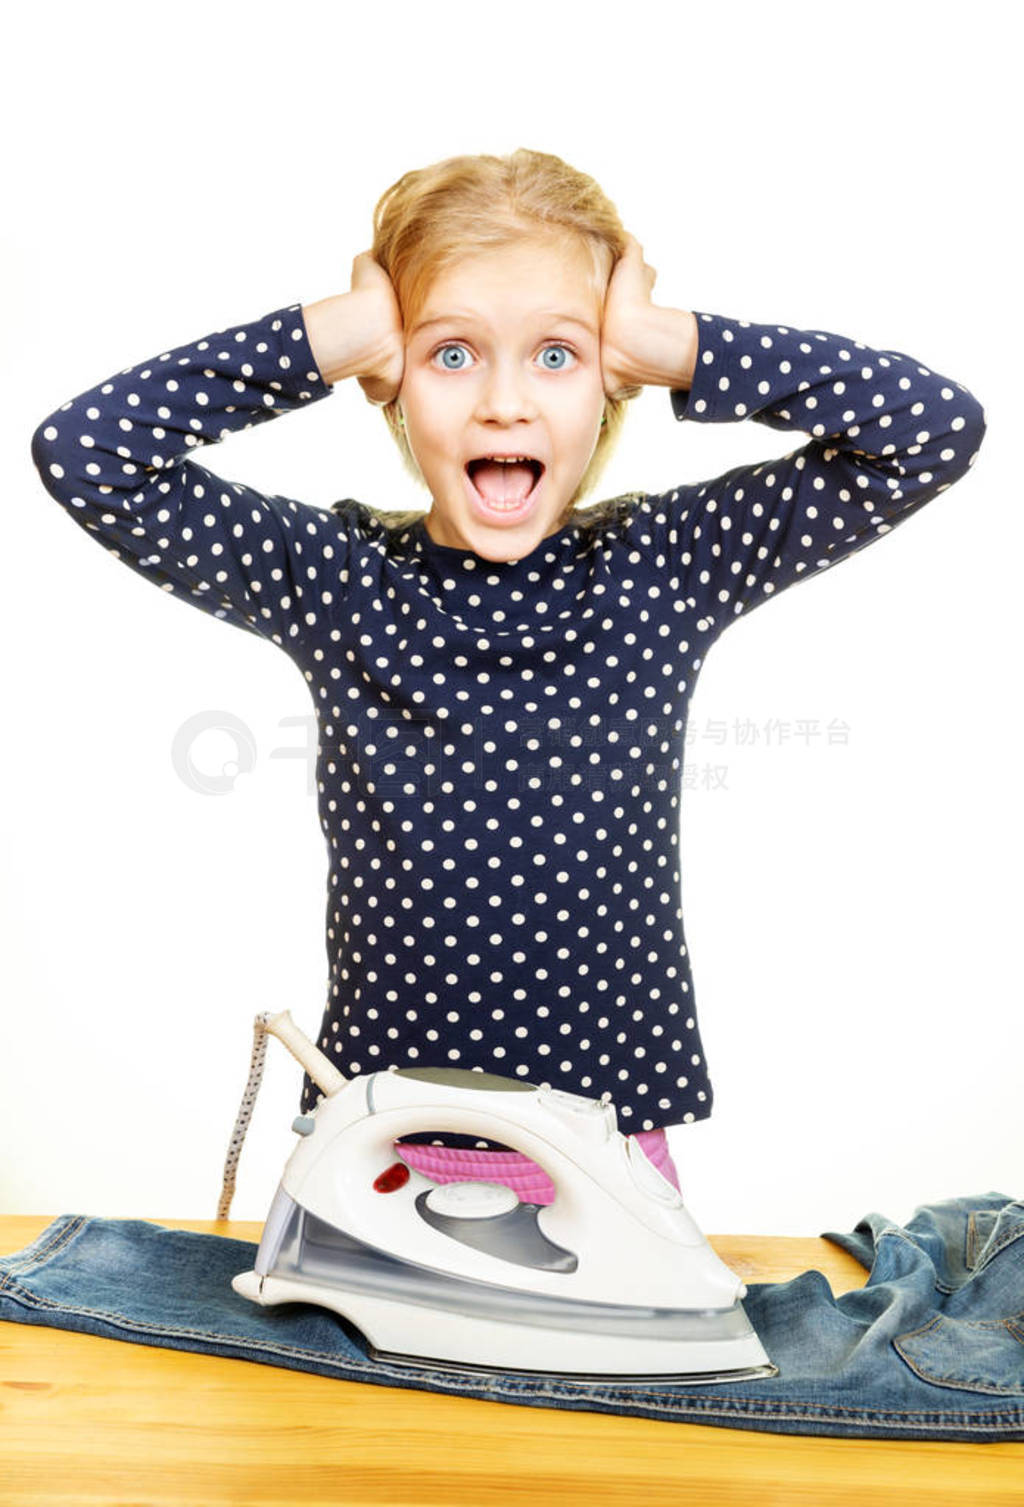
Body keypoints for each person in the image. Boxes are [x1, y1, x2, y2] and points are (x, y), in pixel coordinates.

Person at [30, 148, 986, 1206]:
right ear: (389, 383)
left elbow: (931, 429)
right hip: (385, 1149)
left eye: (555, 356)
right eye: (450, 354)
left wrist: (674, 347)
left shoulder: (665, 568)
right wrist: (326, 341)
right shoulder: (336, 583)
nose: (502, 404)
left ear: (610, 381)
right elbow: (88, 453)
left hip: (606, 1156)